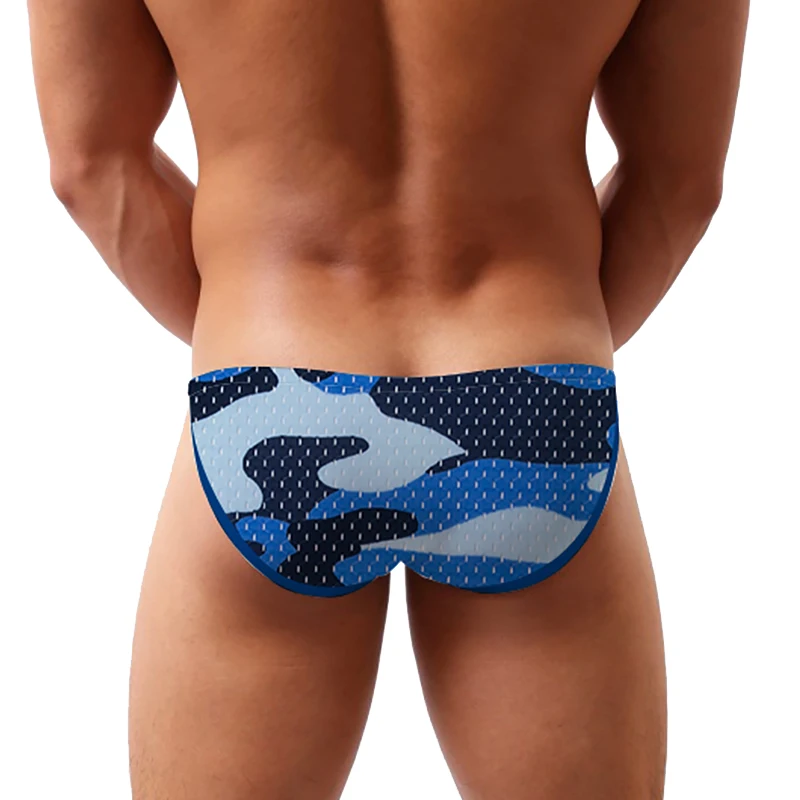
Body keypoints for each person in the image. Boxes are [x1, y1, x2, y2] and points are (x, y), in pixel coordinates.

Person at [27, 0, 748, 797]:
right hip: (532, 402)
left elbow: (90, 164)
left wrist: (245, 342)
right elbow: (682, 182)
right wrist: (551, 350)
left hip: (268, 405)